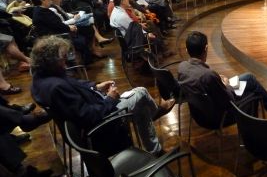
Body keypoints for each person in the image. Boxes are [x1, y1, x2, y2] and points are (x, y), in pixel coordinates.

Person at [30, 35, 175, 155]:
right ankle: (156, 113)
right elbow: (89, 117)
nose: (66, 61)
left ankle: (155, 146)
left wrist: (96, 87)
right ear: (50, 61)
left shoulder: (41, 79)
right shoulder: (56, 87)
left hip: (97, 108)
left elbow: (75, 85)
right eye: (62, 58)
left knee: (141, 107)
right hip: (101, 124)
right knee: (141, 93)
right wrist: (111, 99)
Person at [178, 31, 267, 117]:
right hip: (218, 115)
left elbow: (200, 81)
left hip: (199, 112)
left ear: (187, 50)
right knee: (253, 90)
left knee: (249, 78)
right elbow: (228, 99)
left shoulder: (182, 67)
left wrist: (218, 80)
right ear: (206, 48)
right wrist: (225, 83)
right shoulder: (208, 75)